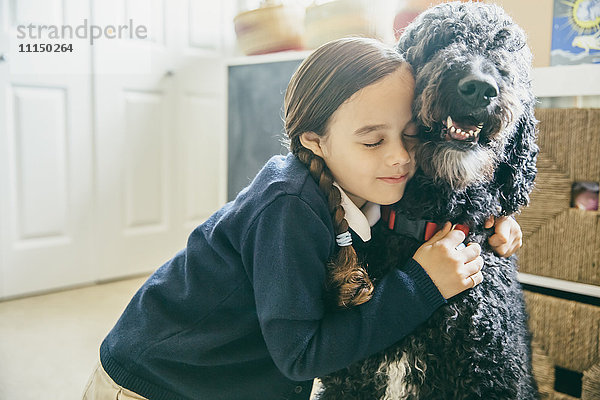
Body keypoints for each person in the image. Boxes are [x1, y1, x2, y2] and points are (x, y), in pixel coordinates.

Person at [82, 37, 522, 400]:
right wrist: (421, 284)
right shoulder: (288, 206)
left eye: (410, 134)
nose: (401, 157)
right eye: (373, 141)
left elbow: (432, 205)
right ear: (316, 141)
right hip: (153, 384)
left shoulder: (369, 182)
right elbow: (301, 355)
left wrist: (492, 221)